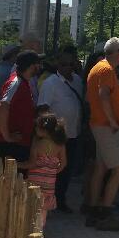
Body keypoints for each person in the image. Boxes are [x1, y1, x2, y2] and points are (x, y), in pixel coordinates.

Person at [85, 37, 119, 232]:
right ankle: (105, 213)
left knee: (101, 167)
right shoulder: (106, 69)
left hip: (99, 125)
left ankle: (93, 210)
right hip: (106, 126)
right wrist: (112, 121)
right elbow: (103, 95)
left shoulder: (98, 67)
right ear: (116, 52)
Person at [37, 49, 84, 213]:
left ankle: (60, 199)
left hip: (74, 133)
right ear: (57, 64)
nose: (67, 67)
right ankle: (49, 202)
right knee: (53, 170)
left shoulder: (77, 80)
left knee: (67, 169)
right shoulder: (50, 83)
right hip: (56, 136)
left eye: (71, 64)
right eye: (64, 64)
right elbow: (43, 108)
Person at [22, 112, 67, 236]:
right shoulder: (60, 145)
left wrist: (18, 164)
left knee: (32, 205)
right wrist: (52, 171)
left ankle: (31, 230)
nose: (35, 129)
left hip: (34, 181)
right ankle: (40, 232)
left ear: (43, 130)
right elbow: (63, 164)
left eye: (37, 127)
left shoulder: (37, 144)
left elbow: (31, 164)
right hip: (49, 183)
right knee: (43, 209)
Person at [0, 51, 41, 163]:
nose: (40, 66)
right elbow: (2, 107)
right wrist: (7, 136)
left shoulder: (23, 82)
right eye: (38, 63)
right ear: (32, 66)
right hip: (12, 145)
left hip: (18, 143)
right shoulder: (16, 82)